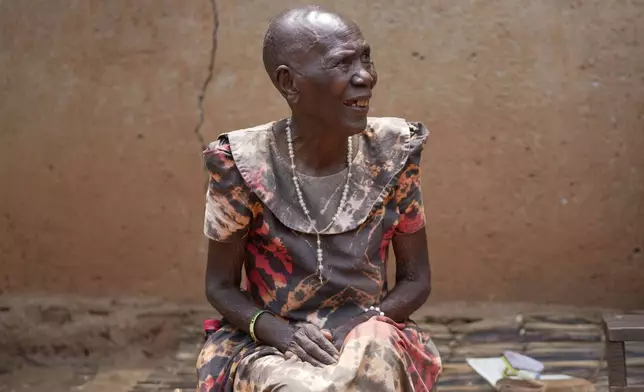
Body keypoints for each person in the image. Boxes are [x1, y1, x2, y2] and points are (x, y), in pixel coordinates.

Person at [196, 5, 442, 392]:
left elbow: (416, 279)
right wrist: (280, 333)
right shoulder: (241, 163)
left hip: (370, 330)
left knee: (372, 371)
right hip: (272, 340)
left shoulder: (393, 152)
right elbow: (220, 286)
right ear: (289, 82)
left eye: (365, 58)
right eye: (342, 64)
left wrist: (364, 325)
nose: (365, 77)